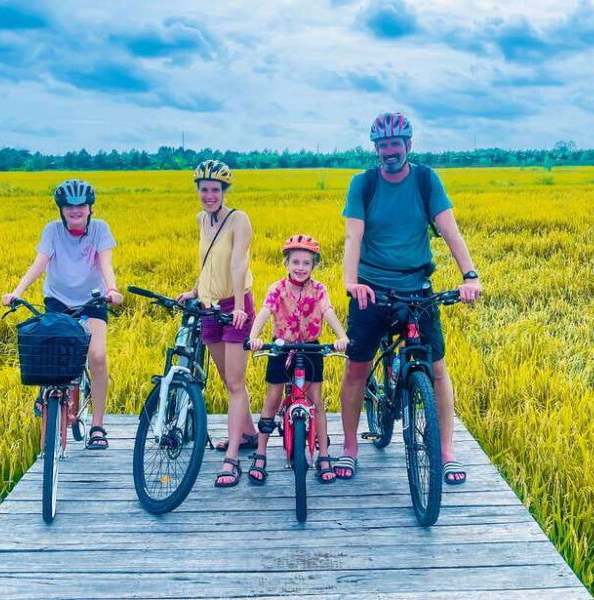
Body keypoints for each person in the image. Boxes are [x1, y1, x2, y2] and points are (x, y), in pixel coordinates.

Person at [337, 112, 481, 483]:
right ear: (376, 149)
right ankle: (350, 448)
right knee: (356, 368)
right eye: (382, 145)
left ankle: (446, 452)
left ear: (408, 146)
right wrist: (351, 282)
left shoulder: (425, 180)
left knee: (436, 370)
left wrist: (470, 275)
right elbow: (353, 237)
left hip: (417, 287)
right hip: (372, 288)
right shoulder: (363, 184)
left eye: (395, 145)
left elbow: (450, 230)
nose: (389, 151)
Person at [1, 179, 123, 450]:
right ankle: (47, 396)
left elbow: (105, 261)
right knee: (49, 353)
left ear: (90, 208)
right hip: (58, 299)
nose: (75, 211)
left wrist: (112, 289)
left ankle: (97, 426)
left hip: (92, 300)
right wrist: (17, 292)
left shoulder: (100, 229)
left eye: (80, 206)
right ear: (61, 209)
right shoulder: (53, 231)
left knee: (97, 356)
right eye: (69, 207)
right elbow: (40, 262)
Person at [176, 160, 258, 488]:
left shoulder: (239, 219)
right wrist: (195, 291)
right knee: (228, 378)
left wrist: (239, 306)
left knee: (236, 383)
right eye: (204, 190)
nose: (209, 195)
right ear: (197, 191)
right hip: (208, 308)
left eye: (215, 190)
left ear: (225, 192)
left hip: (235, 306)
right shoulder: (201, 219)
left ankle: (233, 456)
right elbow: (207, 260)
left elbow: (239, 263)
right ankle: (249, 434)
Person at [247, 235, 349, 485]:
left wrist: (342, 337)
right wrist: (253, 337)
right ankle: (260, 453)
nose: (300, 267)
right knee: (272, 398)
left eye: (306, 263)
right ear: (286, 263)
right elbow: (265, 311)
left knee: (316, 401)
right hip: (281, 347)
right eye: (295, 262)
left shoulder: (319, 289)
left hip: (310, 347)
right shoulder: (277, 288)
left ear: (313, 265)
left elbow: (328, 311)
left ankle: (324, 455)